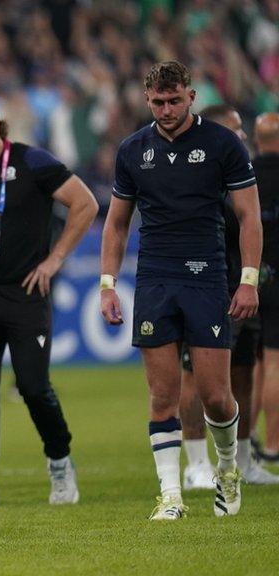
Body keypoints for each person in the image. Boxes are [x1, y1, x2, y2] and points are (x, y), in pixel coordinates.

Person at [101, 61, 260, 520]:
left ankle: (227, 469)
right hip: (154, 277)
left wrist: (247, 280)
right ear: (147, 101)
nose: (167, 109)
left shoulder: (222, 143)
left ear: (191, 97)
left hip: (207, 276)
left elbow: (248, 217)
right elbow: (116, 223)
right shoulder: (133, 150)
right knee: (162, 395)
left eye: (174, 100)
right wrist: (108, 285)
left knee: (214, 394)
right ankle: (170, 494)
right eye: (158, 102)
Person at [0, 97, 96, 510]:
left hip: (26, 293)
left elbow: (85, 204)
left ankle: (60, 460)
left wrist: (54, 260)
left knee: (32, 386)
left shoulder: (32, 162)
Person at [177, 104, 279, 487]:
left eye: (242, 131)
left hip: (241, 287)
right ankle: (197, 463)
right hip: (205, 287)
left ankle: (243, 458)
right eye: (234, 130)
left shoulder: (240, 174)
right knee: (196, 376)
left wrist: (252, 275)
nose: (242, 137)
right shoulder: (194, 177)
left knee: (242, 369)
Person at [254, 112, 279, 464]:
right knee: (274, 361)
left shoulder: (243, 173)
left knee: (253, 363)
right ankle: (274, 444)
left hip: (252, 277)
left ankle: (246, 443)